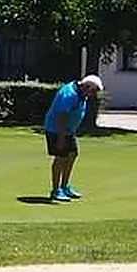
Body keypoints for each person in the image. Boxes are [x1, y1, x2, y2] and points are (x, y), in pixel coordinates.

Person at [43, 74, 103, 203]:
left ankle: (65, 186)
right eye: (93, 91)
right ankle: (56, 190)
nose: (93, 94)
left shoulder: (81, 92)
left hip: (68, 130)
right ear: (87, 87)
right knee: (60, 157)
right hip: (57, 129)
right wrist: (61, 137)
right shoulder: (70, 95)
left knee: (72, 154)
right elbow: (62, 116)